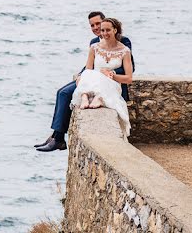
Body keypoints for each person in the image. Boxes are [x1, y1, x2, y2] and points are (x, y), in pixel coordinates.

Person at [34, 11, 133, 152]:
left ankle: (58, 138)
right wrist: (82, 75)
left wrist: (110, 73)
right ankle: (57, 136)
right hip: (91, 78)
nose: (96, 28)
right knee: (61, 92)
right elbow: (90, 64)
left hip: (109, 81)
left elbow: (130, 69)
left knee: (67, 94)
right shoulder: (94, 44)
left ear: (108, 24)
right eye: (92, 25)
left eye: (98, 24)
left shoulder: (124, 43)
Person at [71, 17, 133, 136]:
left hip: (112, 82)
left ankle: (99, 97)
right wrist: (81, 77)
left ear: (115, 30)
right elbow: (88, 69)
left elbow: (129, 79)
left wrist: (112, 75)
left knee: (101, 78)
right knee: (89, 73)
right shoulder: (94, 47)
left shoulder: (124, 51)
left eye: (108, 30)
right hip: (93, 80)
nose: (105, 33)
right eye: (103, 30)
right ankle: (84, 96)